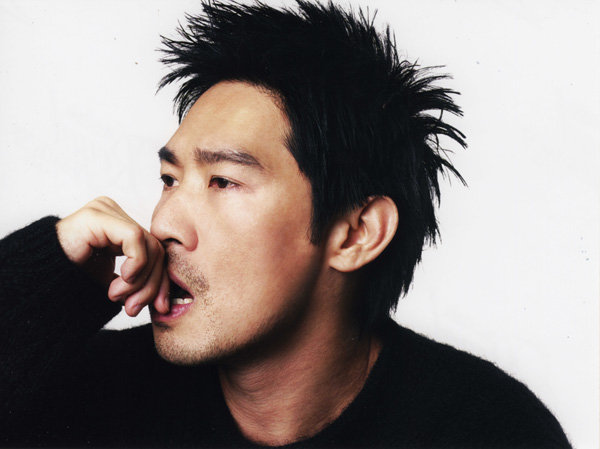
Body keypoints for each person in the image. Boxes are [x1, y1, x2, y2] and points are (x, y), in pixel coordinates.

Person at [0, 1, 571, 447]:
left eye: (223, 181)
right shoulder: (90, 394)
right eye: (169, 180)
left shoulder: (487, 428)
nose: (164, 222)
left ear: (357, 233)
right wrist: (45, 280)